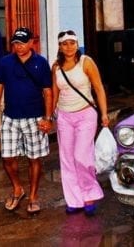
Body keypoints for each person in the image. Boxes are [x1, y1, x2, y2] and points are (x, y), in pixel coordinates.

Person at [0, 27, 53, 215]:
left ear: (31, 43)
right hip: (10, 117)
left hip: (35, 118)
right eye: (16, 43)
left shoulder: (41, 63)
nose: (19, 47)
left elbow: (48, 92)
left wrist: (48, 118)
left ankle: (33, 196)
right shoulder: (5, 63)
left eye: (23, 43)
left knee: (34, 158)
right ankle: (17, 188)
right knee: (7, 157)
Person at [51, 30, 109, 216]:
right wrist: (49, 115)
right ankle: (74, 200)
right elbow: (54, 93)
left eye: (72, 43)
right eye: (65, 43)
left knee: (81, 156)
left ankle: (89, 194)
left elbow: (99, 88)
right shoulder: (56, 67)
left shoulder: (86, 62)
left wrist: (104, 113)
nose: (69, 47)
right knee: (67, 159)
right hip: (64, 116)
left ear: (77, 44)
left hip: (86, 114)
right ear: (59, 46)